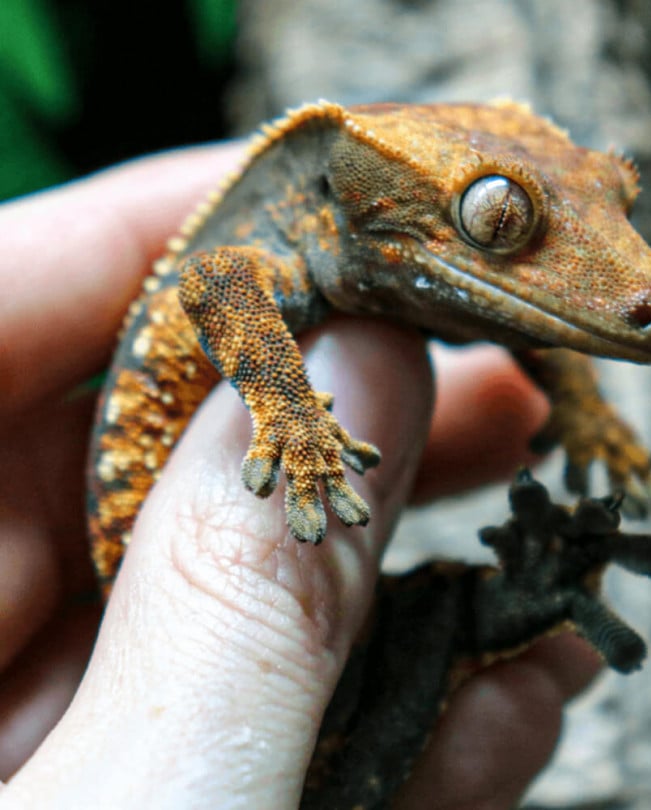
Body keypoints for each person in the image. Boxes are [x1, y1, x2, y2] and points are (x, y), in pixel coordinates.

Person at [0, 144, 600, 809]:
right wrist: (291, 411)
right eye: (498, 217)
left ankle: (486, 612)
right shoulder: (286, 253)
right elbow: (214, 282)